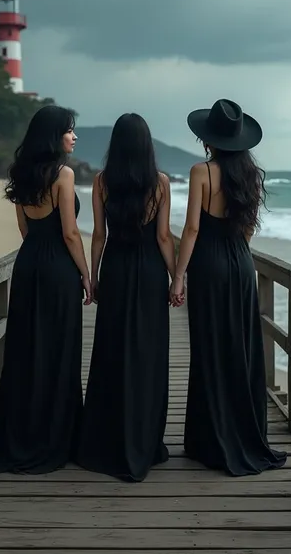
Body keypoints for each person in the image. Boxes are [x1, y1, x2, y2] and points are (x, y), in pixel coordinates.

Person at [0, 105, 91, 474]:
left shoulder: (21, 173)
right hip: (58, 271)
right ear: (55, 135)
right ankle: (55, 435)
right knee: (59, 350)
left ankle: (21, 431)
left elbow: (24, 228)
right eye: (70, 130)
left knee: (26, 348)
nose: (74, 136)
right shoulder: (63, 175)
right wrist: (85, 274)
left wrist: (38, 252)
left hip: (30, 263)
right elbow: (69, 233)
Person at [170, 99, 287, 476]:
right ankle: (243, 432)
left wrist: (178, 275)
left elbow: (191, 229)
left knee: (209, 348)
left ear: (209, 140)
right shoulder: (250, 175)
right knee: (240, 347)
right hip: (240, 263)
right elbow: (248, 228)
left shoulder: (201, 172)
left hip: (209, 265)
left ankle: (210, 439)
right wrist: (237, 257)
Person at [76, 113, 175, 481]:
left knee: (112, 350)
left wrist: (94, 276)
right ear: (147, 145)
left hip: (116, 269)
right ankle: (146, 441)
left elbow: (98, 234)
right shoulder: (161, 183)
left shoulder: (102, 181)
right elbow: (164, 237)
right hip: (149, 272)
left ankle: (108, 439)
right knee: (148, 354)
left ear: (115, 144)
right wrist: (176, 278)